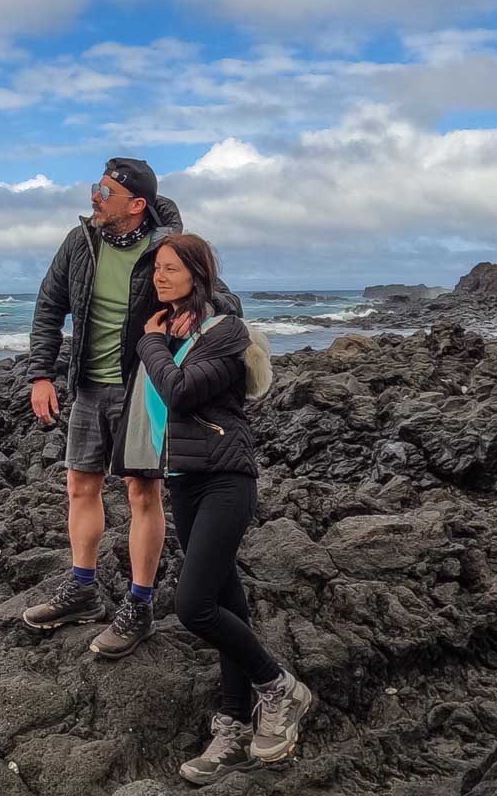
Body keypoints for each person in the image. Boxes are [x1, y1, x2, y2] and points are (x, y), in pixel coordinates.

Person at [112, 232, 313, 783]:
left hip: (227, 478)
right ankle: (233, 727)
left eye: (172, 269)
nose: (161, 277)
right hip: (184, 480)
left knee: (194, 605)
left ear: (199, 274)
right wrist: (151, 336)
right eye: (157, 269)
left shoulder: (225, 331)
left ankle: (279, 688)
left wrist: (149, 345)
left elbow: (179, 392)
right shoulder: (169, 328)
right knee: (230, 608)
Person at [22, 157, 240, 659]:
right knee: (80, 484)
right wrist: (41, 374)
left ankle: (139, 605)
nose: (94, 197)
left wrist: (196, 314)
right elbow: (49, 306)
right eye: (95, 187)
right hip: (87, 386)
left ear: (136, 204)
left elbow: (225, 300)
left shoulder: (167, 247)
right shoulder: (81, 241)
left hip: (144, 387)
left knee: (143, 492)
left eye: (104, 191)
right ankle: (82, 589)